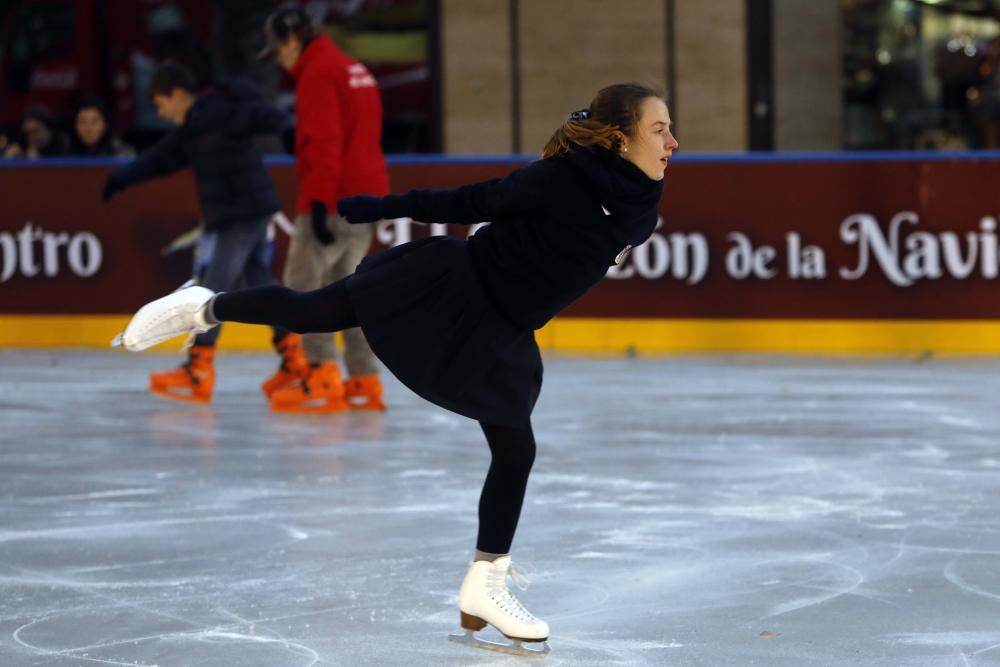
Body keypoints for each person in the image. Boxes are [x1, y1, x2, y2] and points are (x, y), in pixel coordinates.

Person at [115, 82, 678, 654]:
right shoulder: (564, 179)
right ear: (617, 138)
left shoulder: (640, 203)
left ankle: (484, 583)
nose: (672, 142)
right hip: (451, 289)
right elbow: (468, 201)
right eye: (659, 129)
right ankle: (202, 306)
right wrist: (385, 208)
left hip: (503, 330)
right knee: (314, 314)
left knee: (516, 451)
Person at [103, 60, 311, 404]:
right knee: (260, 287)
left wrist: (286, 128)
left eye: (160, 104)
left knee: (210, 292)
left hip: (240, 215)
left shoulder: (218, 111)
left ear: (178, 94)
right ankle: (294, 361)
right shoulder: (192, 130)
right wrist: (120, 178)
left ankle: (198, 368)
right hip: (247, 213)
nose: (161, 113)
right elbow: (159, 158)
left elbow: (258, 114)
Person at [256, 4, 390, 413]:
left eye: (277, 50)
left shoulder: (318, 74)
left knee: (304, 288)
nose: (278, 59)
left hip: (332, 197)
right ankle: (364, 379)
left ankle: (320, 374)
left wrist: (317, 202)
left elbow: (324, 144)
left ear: (292, 41)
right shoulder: (355, 69)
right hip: (366, 197)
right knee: (348, 292)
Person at [70, 97, 135, 157]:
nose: (88, 128)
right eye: (82, 122)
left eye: (94, 121)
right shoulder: (65, 152)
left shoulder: (122, 153)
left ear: (105, 124)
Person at [2, 106, 70, 158]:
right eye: (28, 133)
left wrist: (35, 163)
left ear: (49, 129)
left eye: (36, 131)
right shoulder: (21, 142)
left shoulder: (64, 146)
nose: (31, 137)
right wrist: (8, 160)